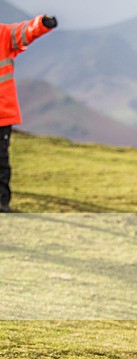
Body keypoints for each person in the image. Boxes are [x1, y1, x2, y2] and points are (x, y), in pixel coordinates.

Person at [0, 14, 58, 213]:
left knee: (0, 161)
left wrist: (42, 23)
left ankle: (1, 204)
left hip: (1, 115)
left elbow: (25, 31)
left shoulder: (3, 34)